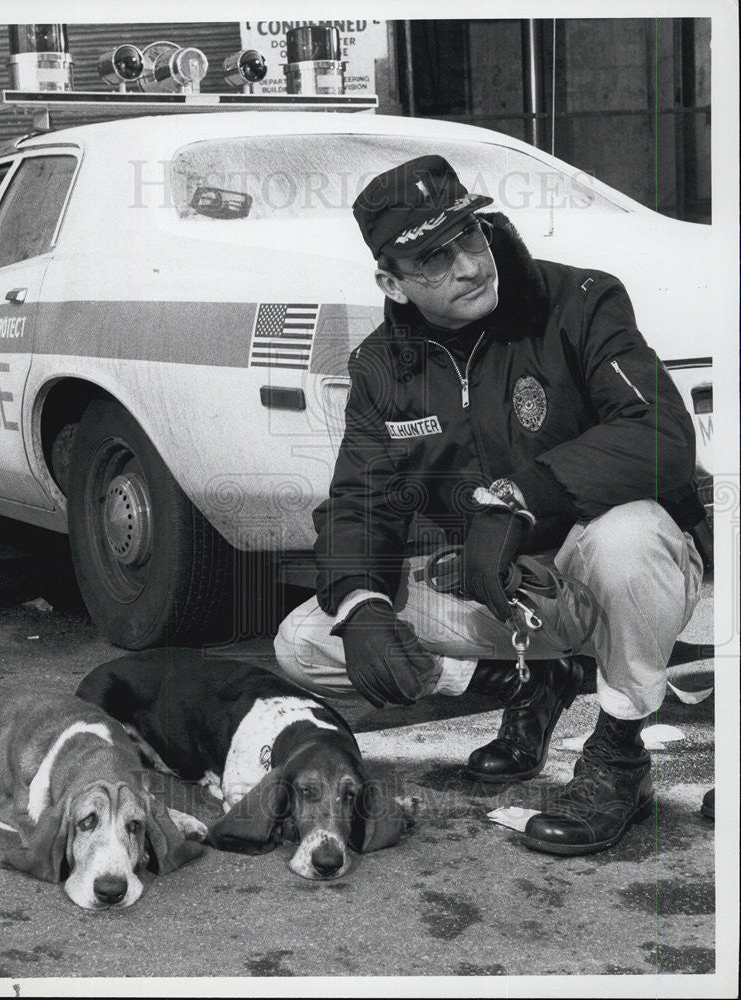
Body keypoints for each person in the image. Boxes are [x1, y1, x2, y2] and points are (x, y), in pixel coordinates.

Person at [274, 155, 706, 856]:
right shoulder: (382, 367)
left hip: (606, 577)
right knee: (306, 640)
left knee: (631, 538)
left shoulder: (582, 301)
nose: (469, 265)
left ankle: (620, 753)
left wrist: (519, 501)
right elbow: (358, 499)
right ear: (393, 282)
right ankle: (530, 681)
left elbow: (659, 435)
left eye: (470, 236)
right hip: (502, 597)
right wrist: (361, 605)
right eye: (433, 260)